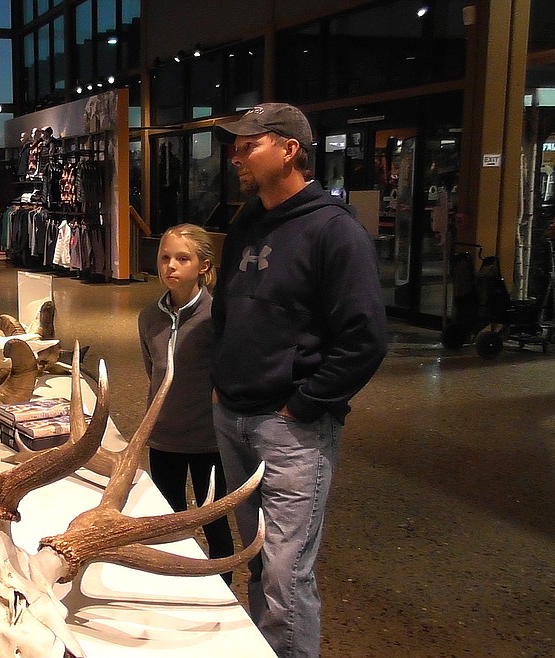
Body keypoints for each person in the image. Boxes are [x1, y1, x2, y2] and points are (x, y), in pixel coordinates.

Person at [211, 102, 388, 658]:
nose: (236, 154)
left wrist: (306, 403)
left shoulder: (335, 232)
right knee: (258, 561)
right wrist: (222, 383)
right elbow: (227, 310)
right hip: (233, 418)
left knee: (287, 579)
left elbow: (365, 338)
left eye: (250, 143)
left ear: (290, 149)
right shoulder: (245, 222)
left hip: (291, 431)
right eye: (236, 144)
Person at [137, 223, 234, 581]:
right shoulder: (149, 318)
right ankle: (175, 587)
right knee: (169, 520)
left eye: (182, 258)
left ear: (204, 266)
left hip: (209, 440)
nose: (171, 267)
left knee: (213, 519)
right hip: (164, 438)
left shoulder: (217, 317)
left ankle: (222, 590)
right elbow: (154, 372)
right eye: (165, 258)